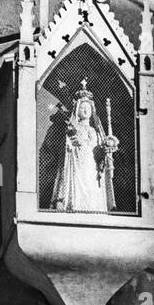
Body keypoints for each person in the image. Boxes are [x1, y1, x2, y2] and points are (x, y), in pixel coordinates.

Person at [50, 79, 118, 212]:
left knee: (92, 189)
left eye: (88, 107)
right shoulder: (74, 128)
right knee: (78, 190)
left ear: (92, 110)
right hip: (77, 167)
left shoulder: (95, 131)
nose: (85, 110)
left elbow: (100, 152)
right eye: (82, 107)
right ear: (77, 110)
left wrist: (106, 148)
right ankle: (73, 205)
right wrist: (72, 140)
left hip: (92, 168)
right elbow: (67, 152)